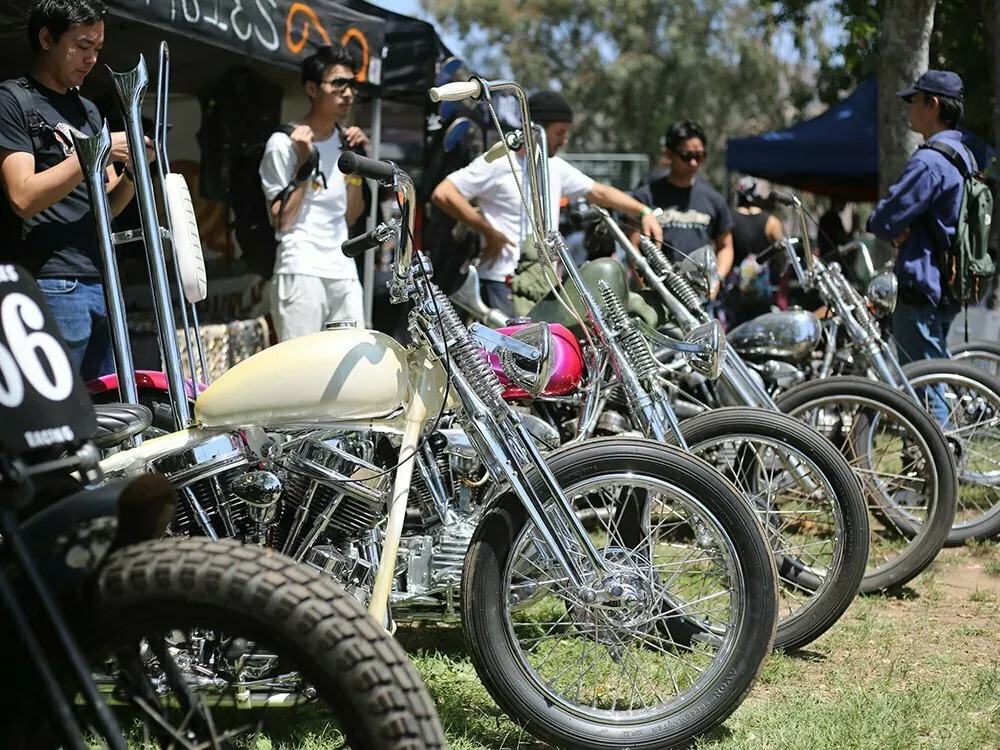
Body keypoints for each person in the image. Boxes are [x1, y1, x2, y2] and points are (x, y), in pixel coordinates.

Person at [0, 0, 150, 381]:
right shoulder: (14, 99)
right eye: (83, 47)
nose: (91, 59)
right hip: (50, 279)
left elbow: (106, 207)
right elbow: (22, 197)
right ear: (46, 38)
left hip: (102, 275)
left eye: (97, 49)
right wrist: (94, 152)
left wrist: (133, 171)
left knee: (112, 412)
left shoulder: (87, 109)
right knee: (61, 409)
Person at [431, 90, 663, 318]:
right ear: (535, 129)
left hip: (545, 282)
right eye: (560, 132)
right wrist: (488, 231)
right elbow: (444, 193)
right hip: (502, 281)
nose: (565, 140)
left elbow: (600, 193)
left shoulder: (555, 167)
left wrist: (644, 211)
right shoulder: (498, 161)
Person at [259, 44, 369, 342]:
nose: (348, 93)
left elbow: (350, 216)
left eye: (352, 84)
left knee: (353, 362)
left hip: (343, 268)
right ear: (311, 88)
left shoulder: (346, 143)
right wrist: (305, 163)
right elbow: (281, 221)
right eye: (338, 84)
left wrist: (356, 165)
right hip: (300, 266)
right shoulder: (283, 143)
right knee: (301, 371)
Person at [866, 70, 973, 365]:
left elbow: (884, 220)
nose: (909, 109)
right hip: (949, 282)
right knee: (935, 370)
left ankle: (939, 415)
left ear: (933, 104)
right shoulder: (963, 155)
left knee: (922, 382)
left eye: (914, 101)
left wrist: (886, 224)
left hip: (921, 283)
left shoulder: (930, 161)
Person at [631, 120, 734, 299]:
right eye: (686, 156)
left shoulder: (713, 199)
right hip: (657, 296)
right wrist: (647, 287)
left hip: (699, 296)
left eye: (699, 156)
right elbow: (633, 247)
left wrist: (716, 279)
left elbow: (726, 246)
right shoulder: (645, 197)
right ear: (669, 153)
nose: (693, 162)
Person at [721, 177, 785, 327]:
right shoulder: (771, 222)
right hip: (762, 287)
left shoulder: (729, 218)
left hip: (735, 288)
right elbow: (782, 253)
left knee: (735, 328)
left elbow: (722, 248)